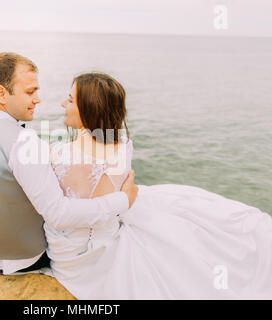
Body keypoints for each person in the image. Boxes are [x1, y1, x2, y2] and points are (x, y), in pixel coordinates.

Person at [46, 72, 272, 299]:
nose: (63, 104)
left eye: (70, 99)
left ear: (89, 106)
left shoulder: (60, 154)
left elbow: (71, 211)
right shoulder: (120, 145)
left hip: (83, 256)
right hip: (108, 226)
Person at [0, 53, 138, 275]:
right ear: (1, 94)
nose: (38, 99)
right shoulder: (23, 142)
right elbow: (58, 214)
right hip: (22, 258)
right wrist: (123, 200)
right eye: (30, 92)